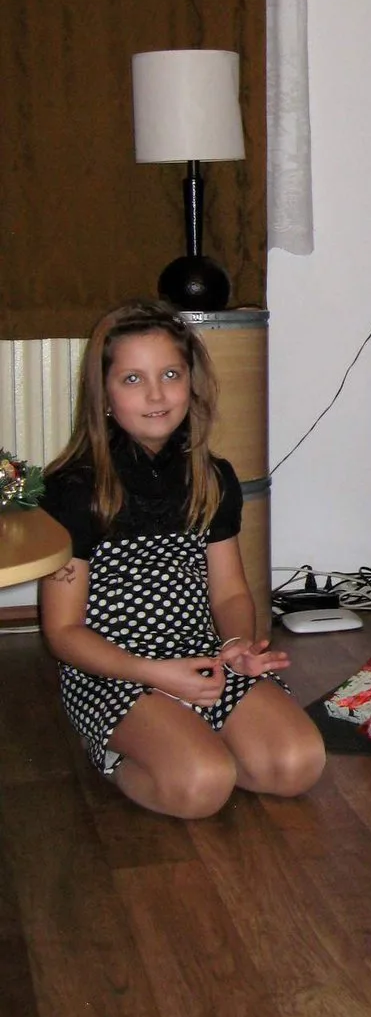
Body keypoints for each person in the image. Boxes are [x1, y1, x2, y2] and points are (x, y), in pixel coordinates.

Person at [38, 300, 326, 818]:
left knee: (297, 764)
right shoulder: (74, 490)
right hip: (113, 669)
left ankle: (196, 737)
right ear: (104, 396)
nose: (156, 394)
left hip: (199, 656)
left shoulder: (213, 478)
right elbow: (63, 632)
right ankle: (115, 752)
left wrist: (235, 645)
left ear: (191, 384)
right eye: (132, 379)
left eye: (170, 374)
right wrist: (154, 674)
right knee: (203, 784)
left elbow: (230, 592)